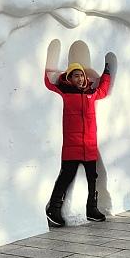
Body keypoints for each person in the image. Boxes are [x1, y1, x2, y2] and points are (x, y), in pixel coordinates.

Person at [44, 60, 111, 227]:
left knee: (92, 178)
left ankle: (92, 209)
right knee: (66, 177)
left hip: (89, 146)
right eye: (76, 75)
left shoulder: (91, 93)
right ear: (69, 78)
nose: (80, 78)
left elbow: (103, 90)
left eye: (81, 75)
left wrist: (107, 74)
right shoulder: (64, 93)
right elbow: (48, 86)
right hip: (71, 145)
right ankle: (54, 209)